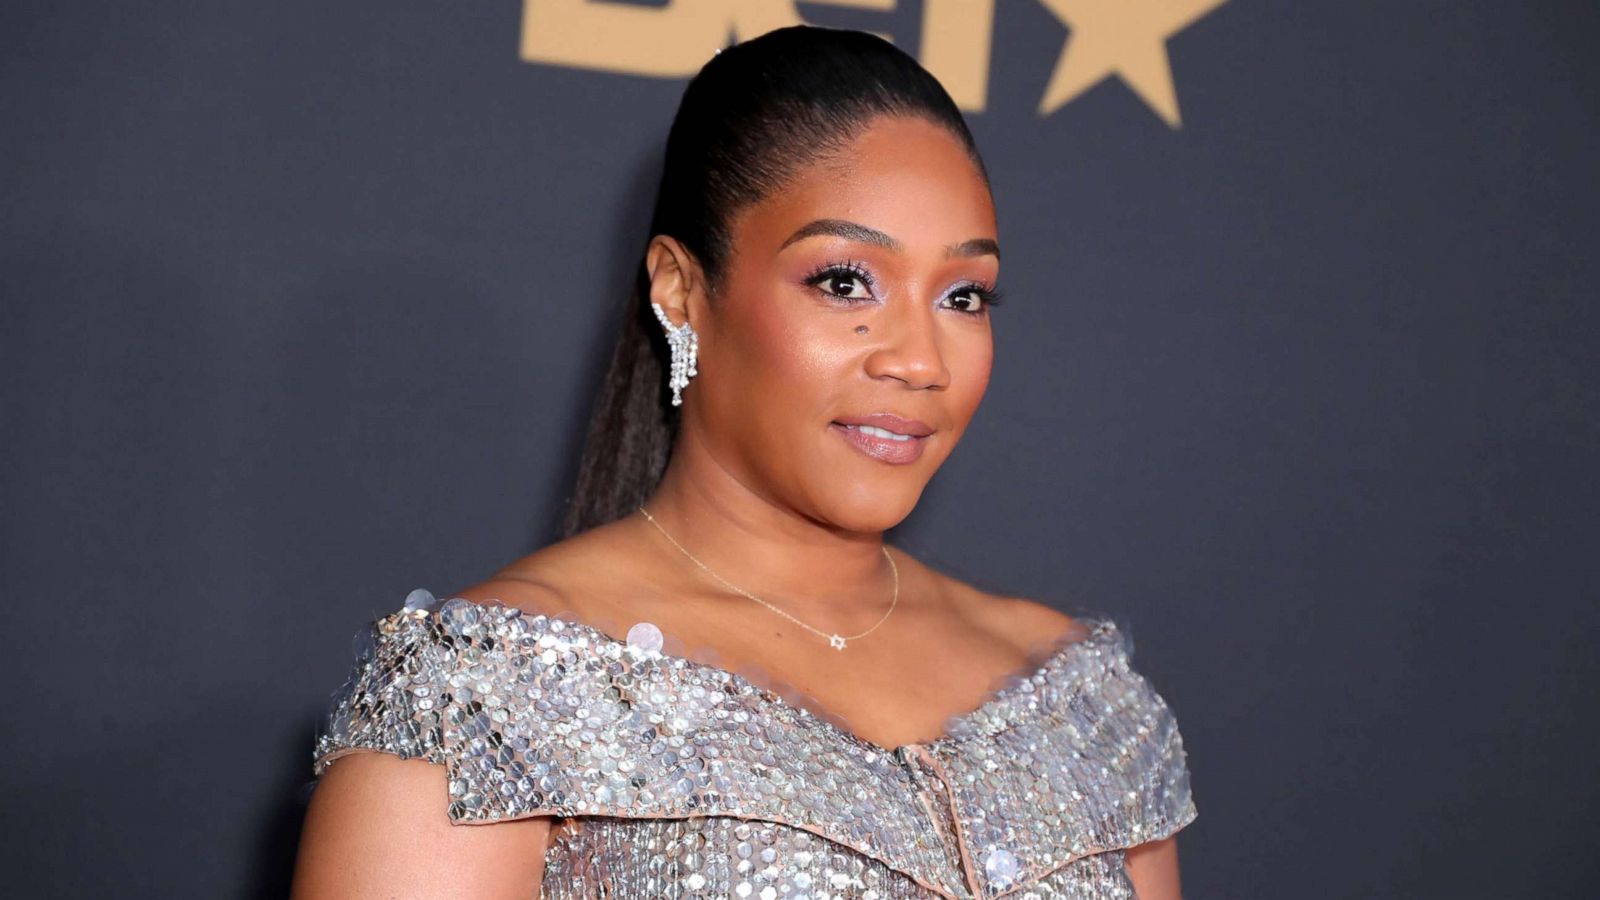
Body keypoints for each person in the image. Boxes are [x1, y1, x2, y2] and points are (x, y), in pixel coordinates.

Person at [290, 24, 1196, 900]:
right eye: (845, 282)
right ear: (680, 290)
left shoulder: (1079, 702)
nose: (921, 360)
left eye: (965, 295)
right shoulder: (481, 701)